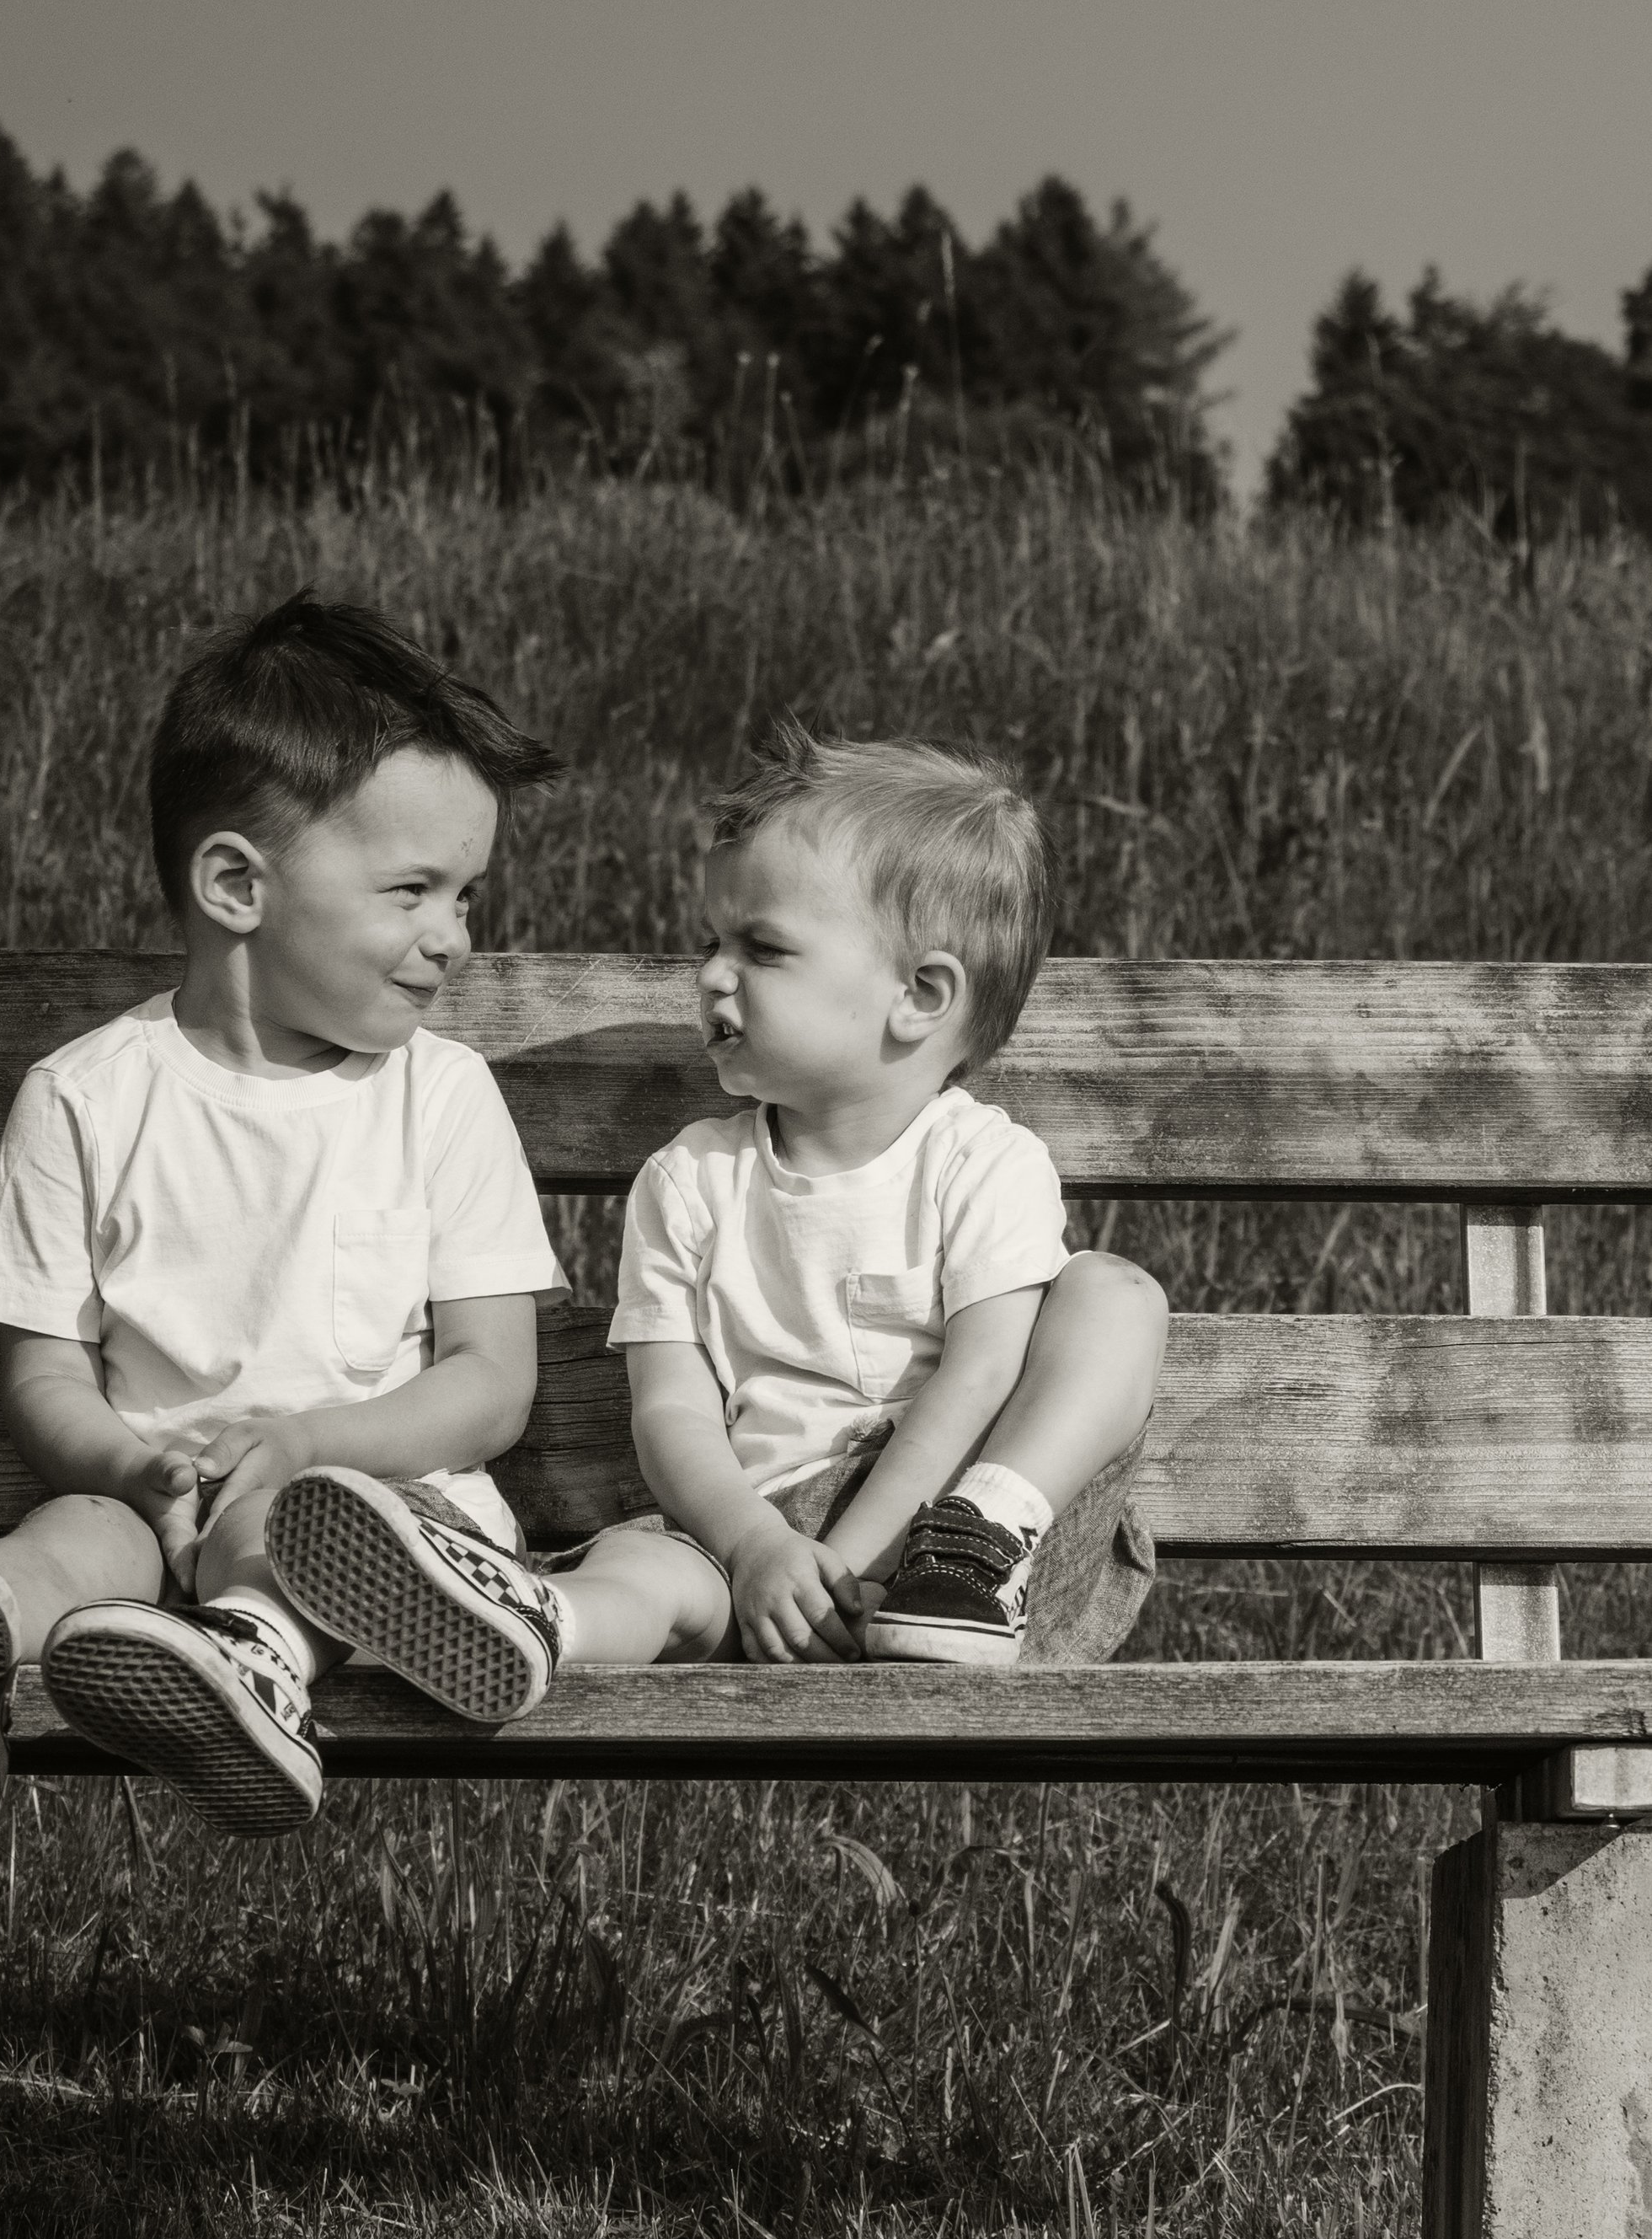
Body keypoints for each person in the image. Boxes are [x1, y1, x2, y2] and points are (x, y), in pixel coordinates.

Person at [0, 592, 564, 1836]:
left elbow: (492, 1383)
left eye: (468, 898)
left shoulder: (439, 1093)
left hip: (382, 1510)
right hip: (155, 1505)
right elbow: (47, 1375)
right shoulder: (86, 1096)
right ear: (237, 882)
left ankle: (249, 1659)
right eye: (415, 891)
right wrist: (134, 1463)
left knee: (305, 1539)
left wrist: (309, 1444)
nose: (452, 940)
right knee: (73, 1538)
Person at [263, 723, 1168, 1704]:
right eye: (710, 942)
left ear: (919, 995)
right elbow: (672, 1411)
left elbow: (984, 1375)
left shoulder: (981, 1162)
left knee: (1113, 1294)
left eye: (762, 947)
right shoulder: (690, 1181)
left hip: (964, 1559)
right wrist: (757, 1549)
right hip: (754, 1537)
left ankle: (979, 1535)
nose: (710, 975)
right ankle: (528, 1620)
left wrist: (856, 1561)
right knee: (647, 1573)